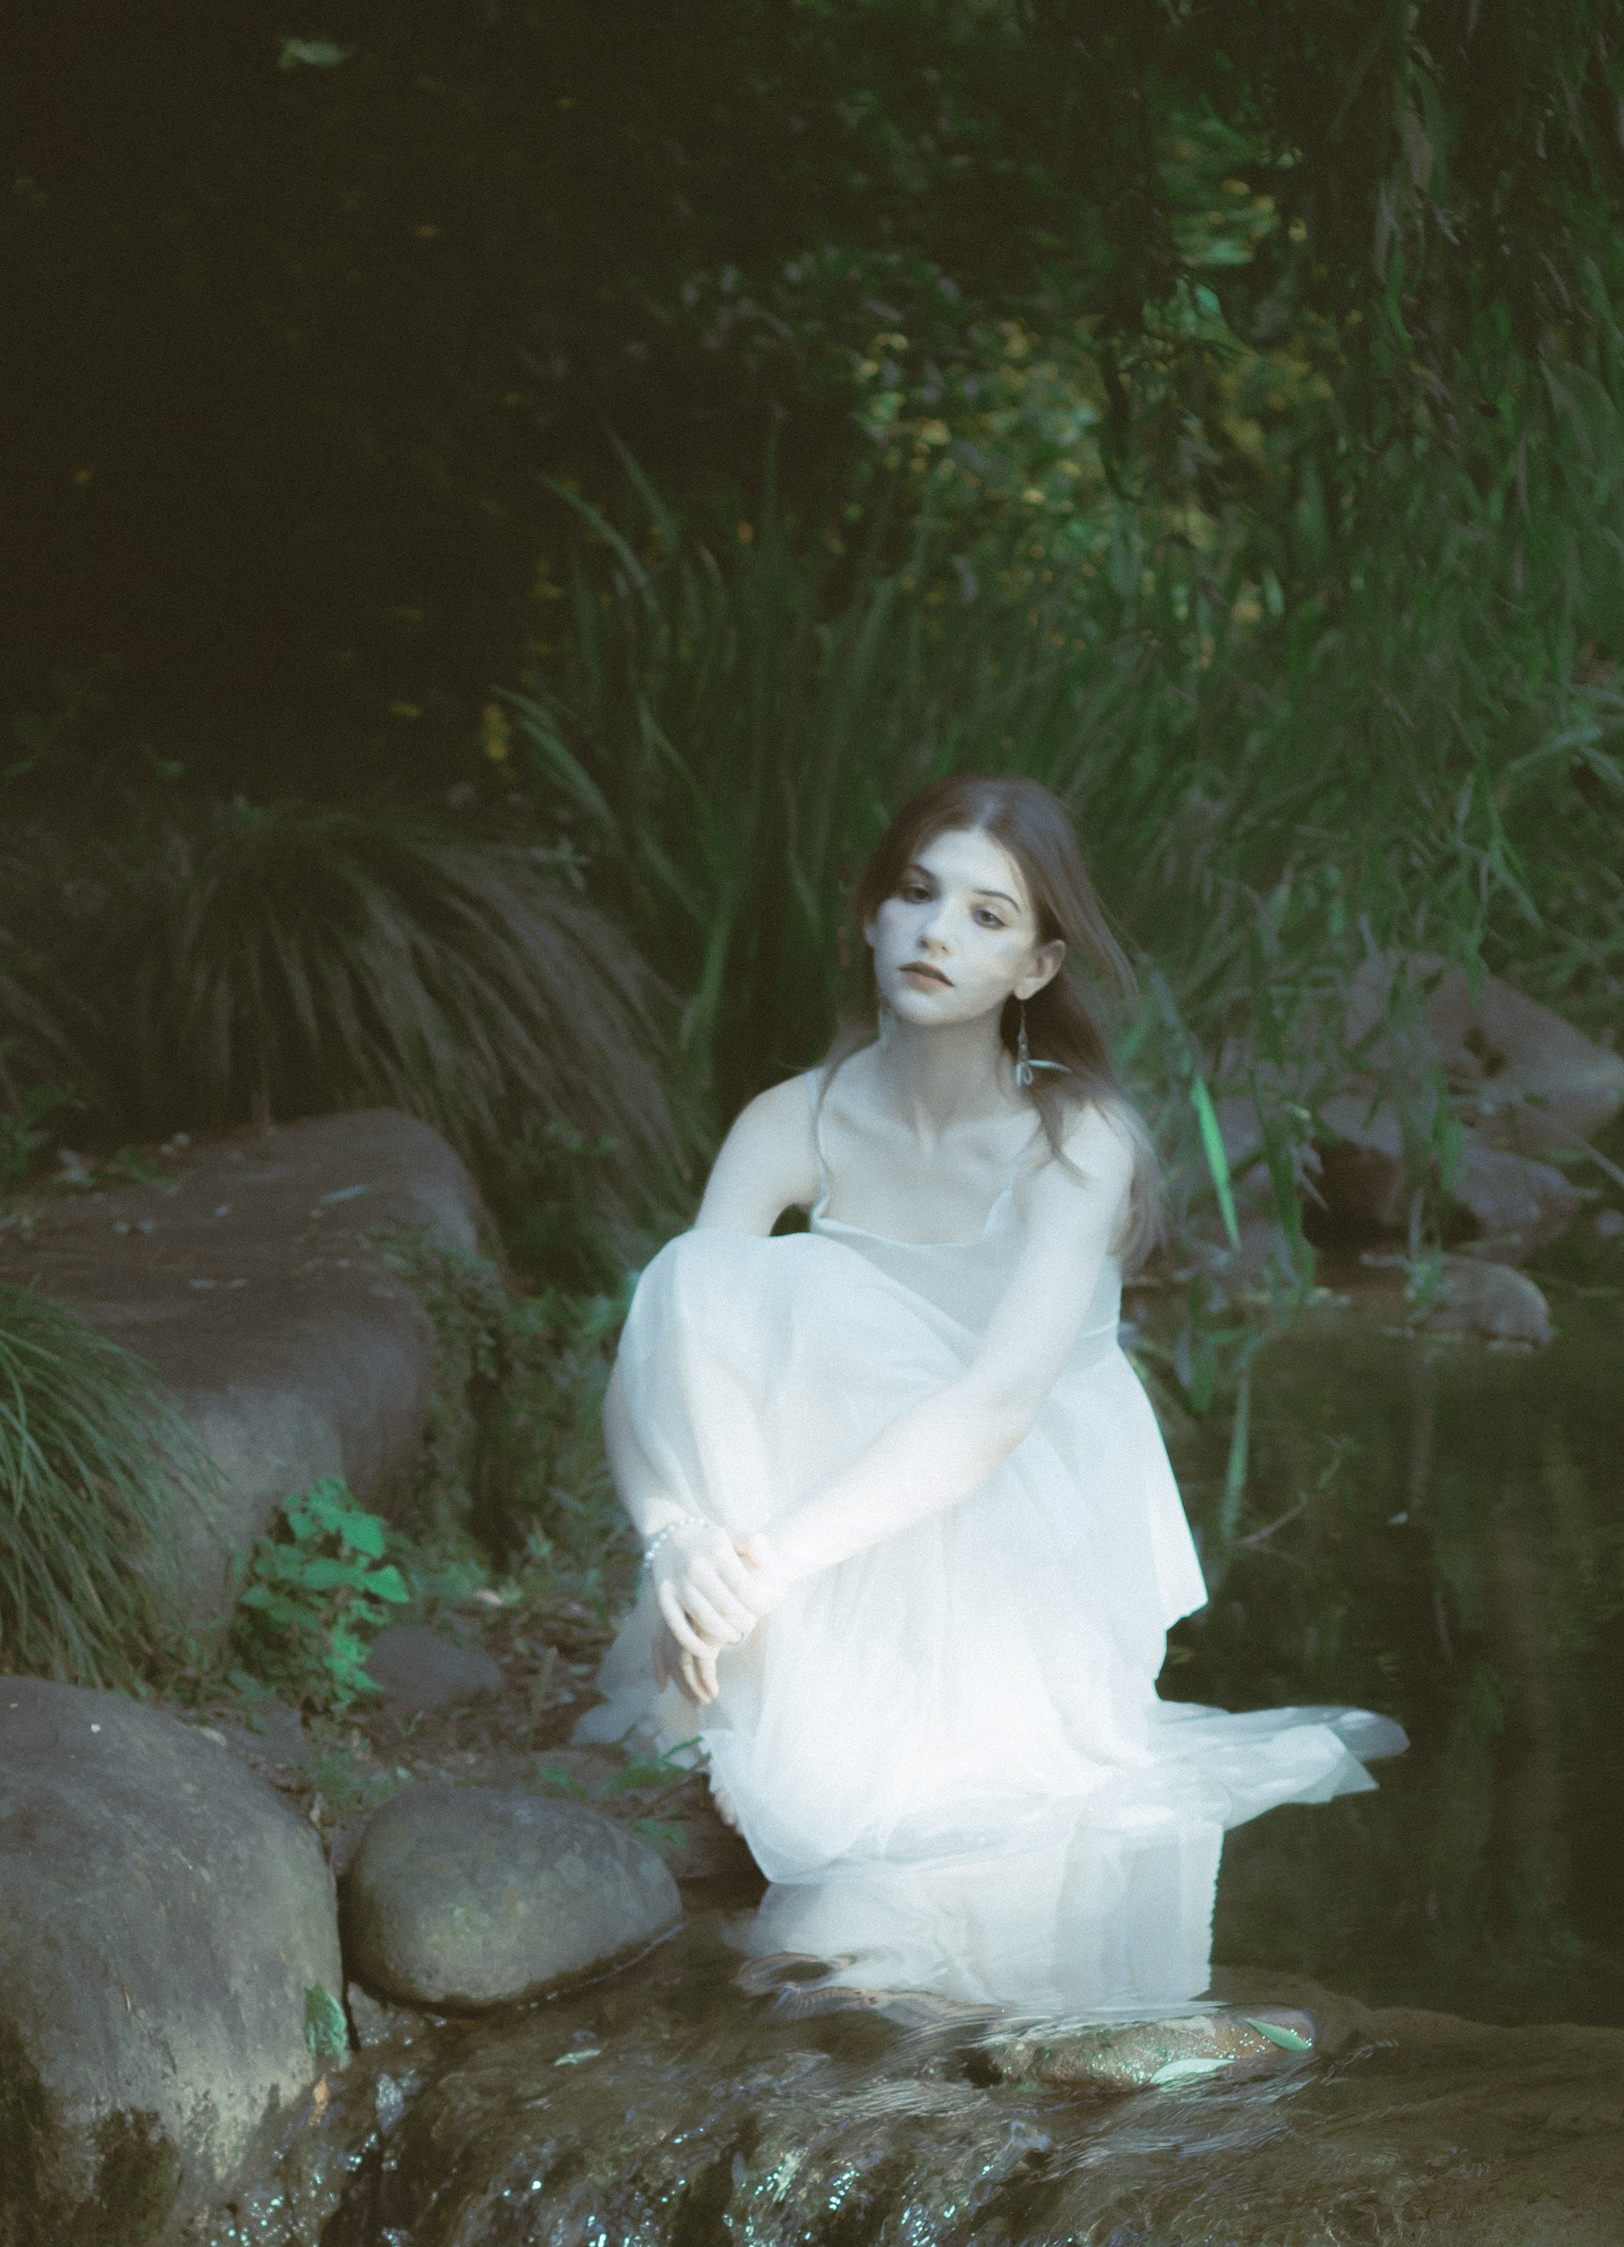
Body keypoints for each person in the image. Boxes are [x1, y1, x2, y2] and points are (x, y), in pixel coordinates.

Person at [578, 775, 1401, 2009]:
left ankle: (816, 1710)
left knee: (885, 1923)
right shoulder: (790, 1121)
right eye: (916, 895)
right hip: (828, 1519)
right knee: (697, 1274)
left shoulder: (1075, 1139)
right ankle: (754, 1660)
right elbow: (664, 1349)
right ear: (871, 915)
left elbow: (991, 1413)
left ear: (1036, 966)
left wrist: (769, 1565)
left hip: (1026, 1526)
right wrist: (677, 1538)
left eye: (986, 916)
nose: (936, 934)